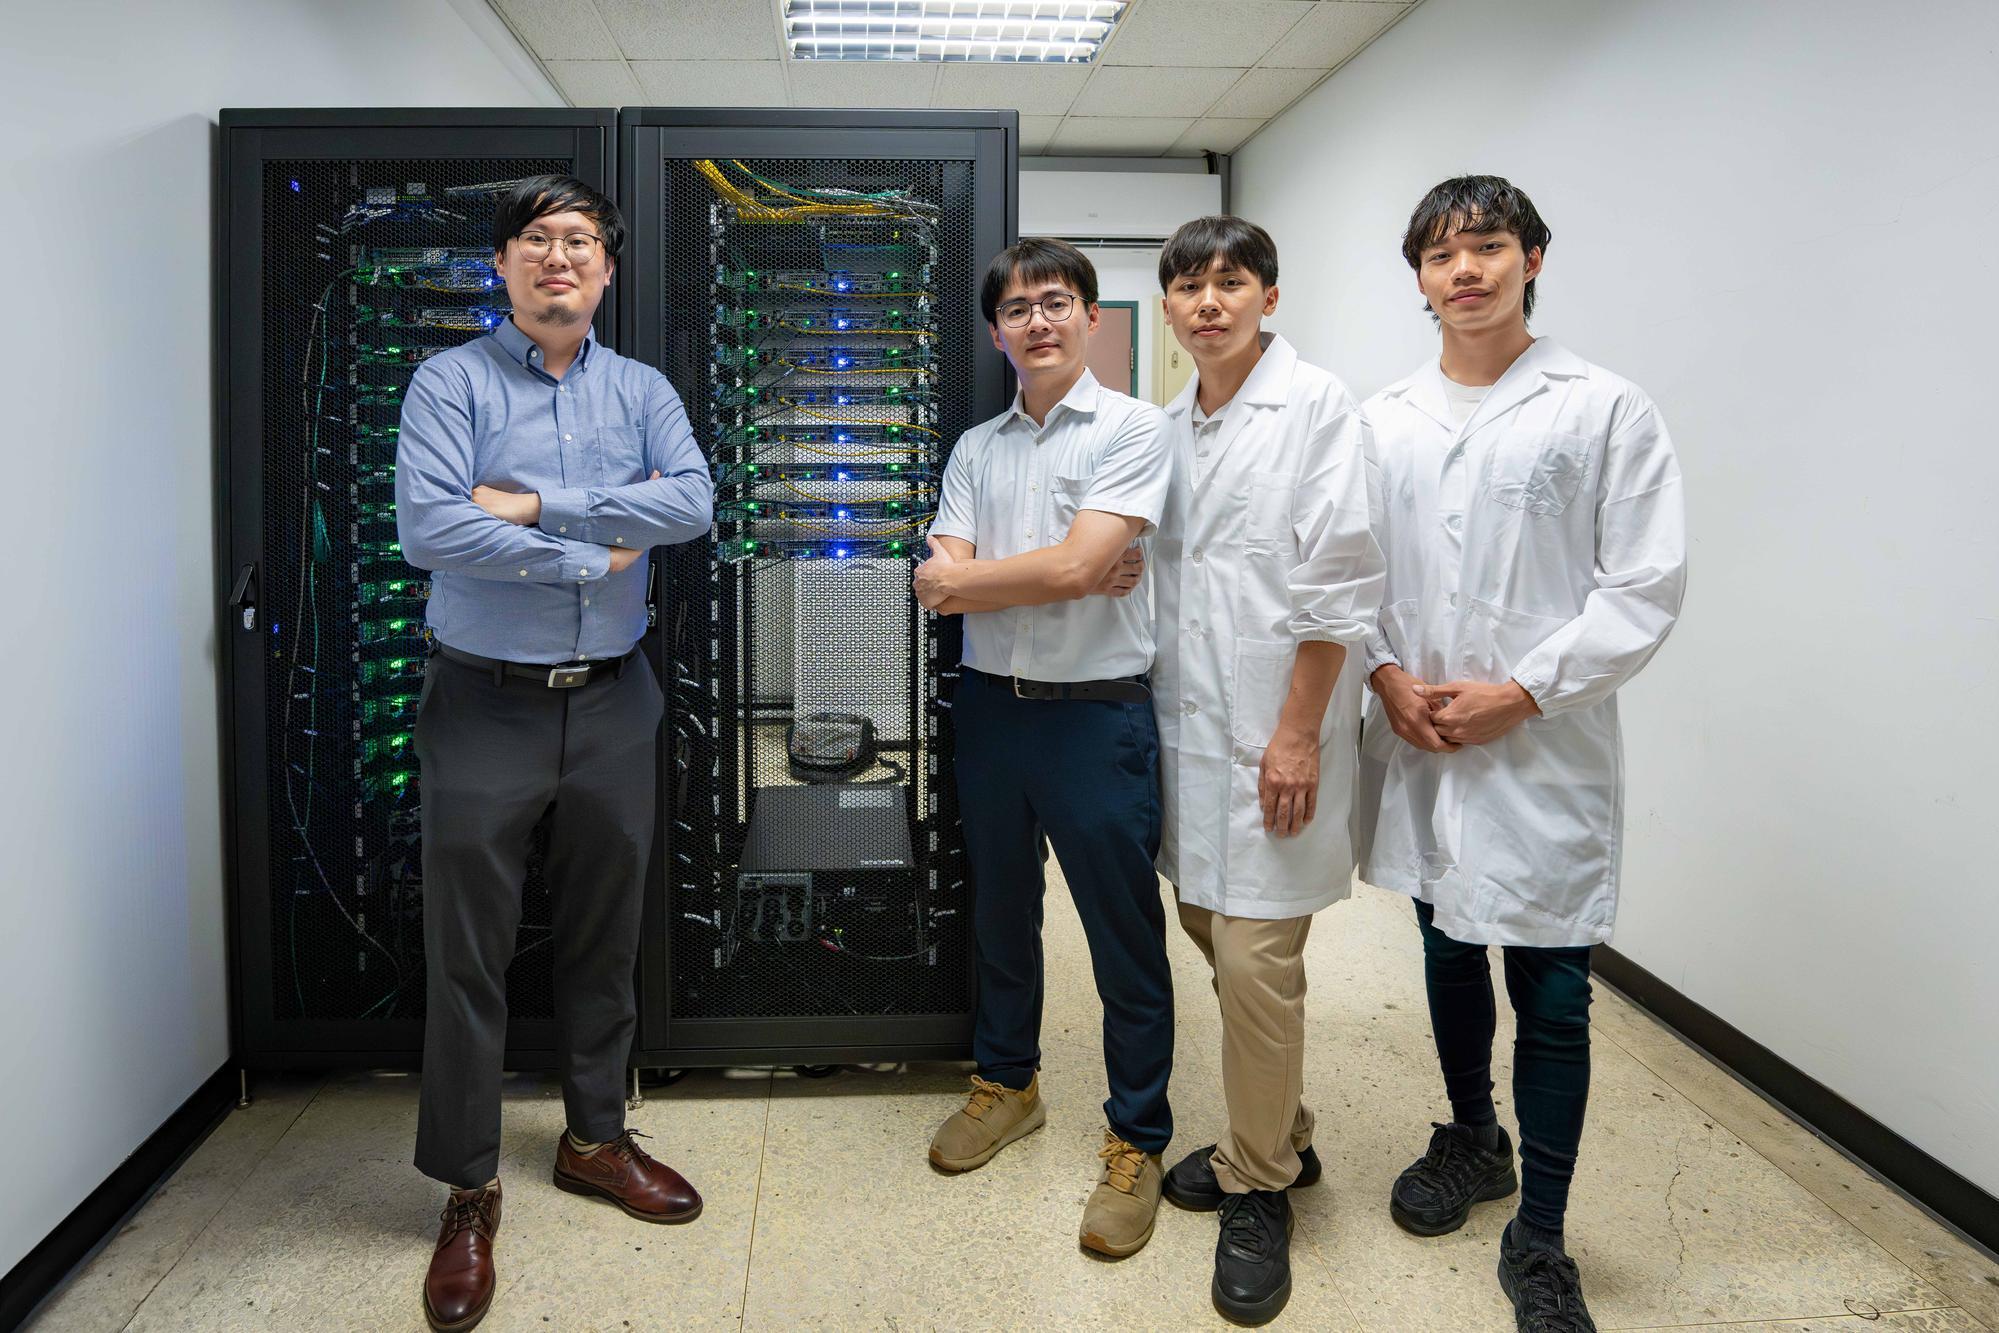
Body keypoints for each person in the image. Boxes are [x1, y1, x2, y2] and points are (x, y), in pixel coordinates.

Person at [1357, 175, 1687, 1333]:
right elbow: (1350, 573)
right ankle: (1471, 1134)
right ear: (1417, 279)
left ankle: (1539, 1235)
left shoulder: (1602, 407)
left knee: (1552, 991)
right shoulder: (1383, 416)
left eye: (1489, 247)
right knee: (1446, 943)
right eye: (1443, 256)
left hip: (1541, 743)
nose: (1467, 272)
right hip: (1421, 732)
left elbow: (1645, 586)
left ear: (1532, 257)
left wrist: (1524, 690)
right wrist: (1385, 674)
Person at [394, 175, 715, 1332]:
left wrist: (532, 510)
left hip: (615, 701)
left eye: (580, 241)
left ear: (608, 269)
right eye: (536, 241)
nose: (559, 258)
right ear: (503, 265)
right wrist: (595, 545)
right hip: (482, 704)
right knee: (468, 952)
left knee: (602, 932)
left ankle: (595, 1139)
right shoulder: (449, 384)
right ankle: (468, 1189)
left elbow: (689, 504)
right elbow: (430, 526)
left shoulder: (641, 388)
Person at [912, 236, 1173, 1259]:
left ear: (1090, 318)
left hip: (1091, 713)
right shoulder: (978, 445)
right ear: (996, 332)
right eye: (1017, 308)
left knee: (1121, 934)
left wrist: (1005, 575)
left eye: (1055, 301)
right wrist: (1055, 567)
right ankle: (1006, 1083)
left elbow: (1061, 570)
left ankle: (1136, 1136)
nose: (1036, 320)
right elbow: (961, 576)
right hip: (990, 708)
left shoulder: (1132, 428)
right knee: (1000, 912)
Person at [1146, 215, 1384, 1325]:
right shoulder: (1169, 425)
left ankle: (1258, 1184)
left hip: (1273, 731)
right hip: (1190, 733)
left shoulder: (1316, 407)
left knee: (1252, 960)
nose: (1207, 302)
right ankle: (1281, 1127)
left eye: (1229, 283)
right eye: (1187, 286)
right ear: (1166, 308)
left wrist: (1295, 733)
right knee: (1209, 924)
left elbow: (1338, 587)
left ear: (1267, 298)